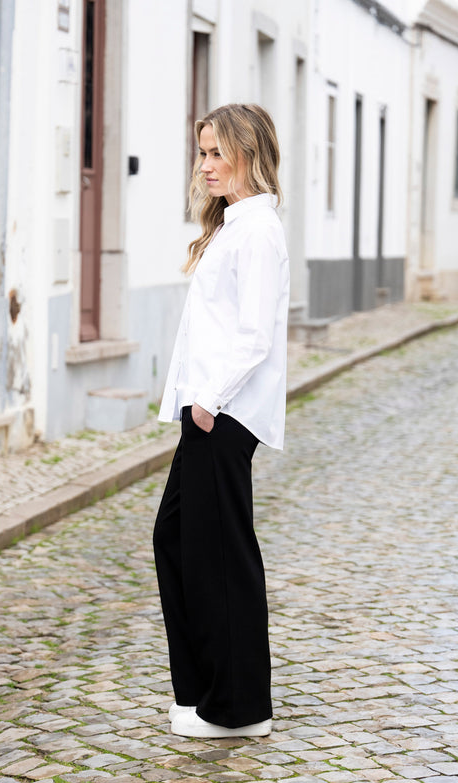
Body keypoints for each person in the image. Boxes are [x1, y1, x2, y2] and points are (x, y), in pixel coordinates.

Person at [153, 103, 290, 739]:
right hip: (206, 407)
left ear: (248, 154)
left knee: (222, 557)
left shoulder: (258, 230)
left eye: (217, 153)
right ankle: (201, 693)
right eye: (201, 153)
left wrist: (208, 400)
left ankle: (238, 711)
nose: (206, 165)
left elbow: (254, 333)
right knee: (177, 540)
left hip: (225, 411)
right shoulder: (233, 226)